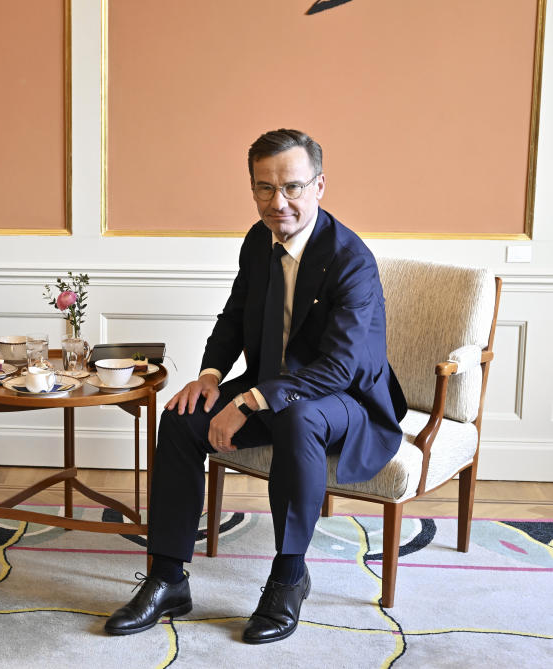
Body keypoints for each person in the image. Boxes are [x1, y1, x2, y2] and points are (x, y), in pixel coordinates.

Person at [104, 129, 406, 643]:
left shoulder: (352, 260)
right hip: (272, 387)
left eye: (291, 186)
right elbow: (235, 314)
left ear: (319, 186)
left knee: (297, 415)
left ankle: (289, 576)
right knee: (179, 420)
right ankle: (168, 577)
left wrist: (250, 400)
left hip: (346, 401)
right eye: (264, 188)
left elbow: (339, 367)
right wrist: (209, 376)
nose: (278, 201)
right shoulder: (257, 239)